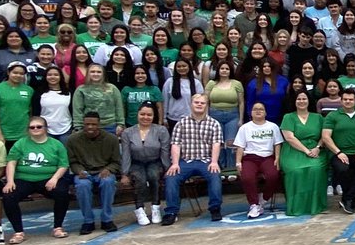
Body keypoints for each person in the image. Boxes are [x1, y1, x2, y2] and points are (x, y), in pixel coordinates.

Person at [0, 115, 71, 242]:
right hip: (24, 179)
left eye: (39, 126)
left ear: (45, 128)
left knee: (62, 193)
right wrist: (10, 181)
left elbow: (63, 165)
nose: (35, 129)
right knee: (8, 196)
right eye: (32, 127)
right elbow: (11, 162)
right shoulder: (21, 143)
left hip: (47, 178)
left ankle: (58, 227)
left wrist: (54, 179)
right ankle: (18, 232)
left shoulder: (56, 144)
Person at [162, 93, 224, 224]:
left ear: (207, 106)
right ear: (191, 104)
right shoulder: (181, 123)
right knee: (171, 177)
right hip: (186, 161)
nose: (199, 105)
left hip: (206, 160)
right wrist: (174, 163)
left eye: (202, 103)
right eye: (197, 102)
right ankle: (171, 212)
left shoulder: (214, 124)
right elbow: (176, 144)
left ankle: (215, 208)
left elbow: (216, 144)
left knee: (215, 174)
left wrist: (214, 162)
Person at [66, 111, 121, 235]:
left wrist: (108, 169)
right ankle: (88, 221)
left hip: (103, 171)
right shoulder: (73, 140)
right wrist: (79, 171)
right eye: (87, 124)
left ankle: (107, 219)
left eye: (93, 124)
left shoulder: (111, 139)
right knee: (82, 185)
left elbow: (116, 161)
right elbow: (72, 162)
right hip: (84, 172)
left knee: (108, 182)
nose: (90, 127)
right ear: (83, 124)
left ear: (99, 124)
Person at [278, 91, 328, 217]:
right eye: (298, 99)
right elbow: (289, 138)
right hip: (293, 151)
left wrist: (317, 147)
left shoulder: (318, 117)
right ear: (294, 101)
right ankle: (297, 206)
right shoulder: (288, 117)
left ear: (309, 101)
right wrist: (306, 151)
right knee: (297, 171)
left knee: (315, 169)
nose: (301, 101)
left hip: (316, 150)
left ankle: (316, 205)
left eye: (304, 98)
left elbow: (324, 136)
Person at [119, 102, 170, 227]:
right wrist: (124, 173)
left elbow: (164, 151)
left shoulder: (161, 130)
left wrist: (167, 169)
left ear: (154, 116)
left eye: (149, 115)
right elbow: (126, 154)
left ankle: (156, 207)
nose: (145, 117)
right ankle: (140, 209)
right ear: (137, 114)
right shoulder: (128, 132)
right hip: (136, 163)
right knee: (140, 179)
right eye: (142, 114)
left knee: (153, 175)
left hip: (154, 161)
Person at [320, 88, 355, 214]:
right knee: (343, 169)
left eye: (351, 99)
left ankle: (348, 197)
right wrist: (338, 152)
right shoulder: (333, 116)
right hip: (338, 153)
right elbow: (326, 136)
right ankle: (350, 199)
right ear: (341, 101)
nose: (348, 102)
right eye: (345, 99)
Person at [234, 102, 284, 218]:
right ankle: (254, 204)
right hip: (250, 158)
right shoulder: (244, 128)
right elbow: (240, 146)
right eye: (255, 109)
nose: (258, 111)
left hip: (267, 157)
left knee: (273, 175)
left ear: (265, 112)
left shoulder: (273, 126)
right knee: (247, 177)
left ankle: (264, 199)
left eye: (261, 109)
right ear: (251, 113)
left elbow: (277, 144)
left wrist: (277, 158)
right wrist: (238, 162)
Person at [0, 61, 35, 150]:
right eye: (15, 72)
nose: (18, 75)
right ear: (8, 72)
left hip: (23, 134)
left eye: (21, 73)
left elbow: (30, 112)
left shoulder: (29, 90)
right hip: (4, 133)